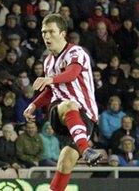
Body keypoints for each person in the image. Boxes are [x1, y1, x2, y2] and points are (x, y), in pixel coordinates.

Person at [23, 14, 102, 191]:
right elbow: (51, 91)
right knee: (69, 104)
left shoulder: (76, 52)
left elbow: (72, 74)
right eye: (44, 32)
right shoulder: (48, 61)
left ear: (63, 33)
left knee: (65, 164)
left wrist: (49, 80)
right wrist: (34, 104)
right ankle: (86, 150)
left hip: (85, 118)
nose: (46, 36)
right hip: (60, 109)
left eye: (51, 31)